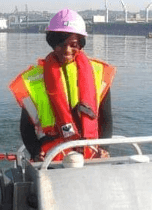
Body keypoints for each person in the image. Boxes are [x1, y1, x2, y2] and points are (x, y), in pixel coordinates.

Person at [9, 8, 116, 162]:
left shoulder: (98, 74)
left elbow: (106, 118)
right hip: (51, 160)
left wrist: (104, 149)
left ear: (81, 44)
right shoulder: (32, 80)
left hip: (91, 157)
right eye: (61, 44)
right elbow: (26, 128)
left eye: (73, 44)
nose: (67, 50)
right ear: (52, 43)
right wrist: (35, 151)